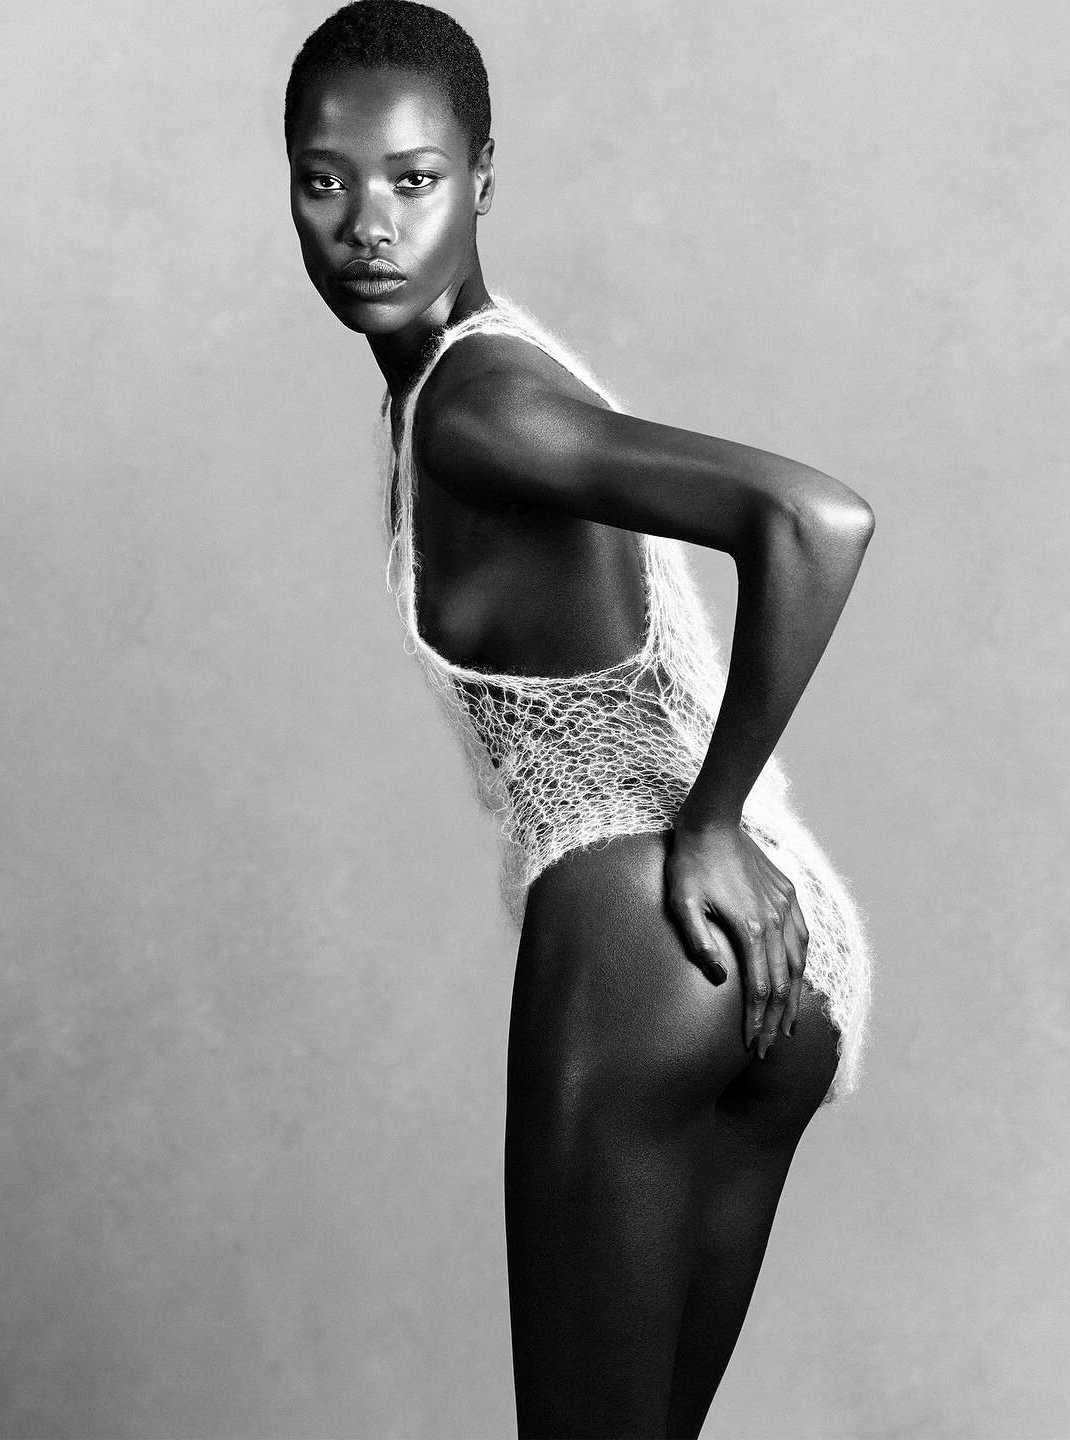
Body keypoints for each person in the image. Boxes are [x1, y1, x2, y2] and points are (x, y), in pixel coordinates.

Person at [285, 3, 876, 1434]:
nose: (366, 222)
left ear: (481, 178)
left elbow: (810, 517)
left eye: (413, 179)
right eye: (324, 178)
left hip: (644, 925)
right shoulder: (492, 365)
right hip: (784, 962)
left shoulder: (476, 405)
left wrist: (714, 818)